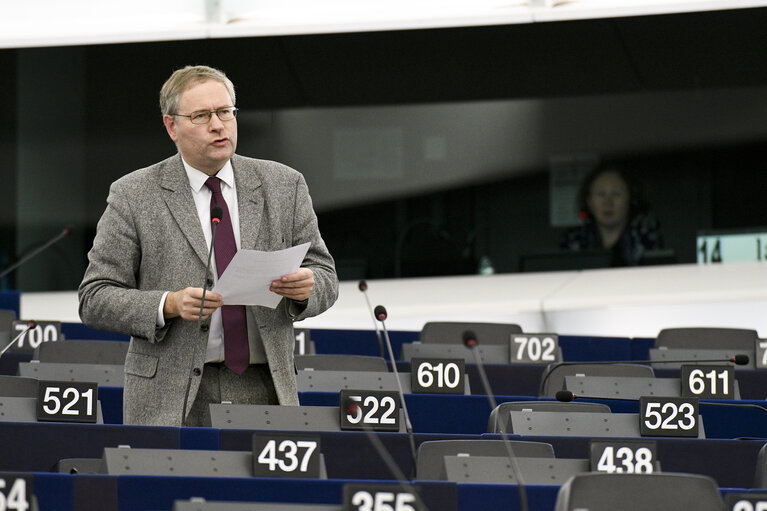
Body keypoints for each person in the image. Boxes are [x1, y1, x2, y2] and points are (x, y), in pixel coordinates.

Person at [78, 65, 338, 426]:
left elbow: (326, 275)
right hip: (170, 396)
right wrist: (166, 304)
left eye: (225, 112)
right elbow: (94, 298)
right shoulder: (134, 194)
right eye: (201, 115)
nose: (218, 125)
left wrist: (306, 287)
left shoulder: (284, 184)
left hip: (267, 386)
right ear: (172, 126)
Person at [560, 164, 663, 267]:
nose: (608, 202)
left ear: (631, 198)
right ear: (589, 202)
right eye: (600, 194)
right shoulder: (574, 239)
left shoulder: (646, 235)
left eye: (616, 194)